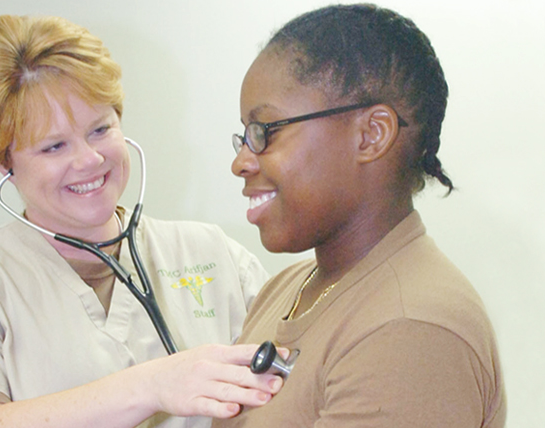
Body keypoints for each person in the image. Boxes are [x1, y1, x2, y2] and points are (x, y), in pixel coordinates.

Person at [0, 15, 282, 428]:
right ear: (3, 162)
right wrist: (152, 385)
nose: (89, 160)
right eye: (54, 146)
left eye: (100, 130)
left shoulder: (213, 254)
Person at [213, 4, 506, 428]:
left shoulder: (412, 329)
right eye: (245, 134)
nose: (241, 162)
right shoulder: (288, 287)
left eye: (266, 131)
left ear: (371, 135)